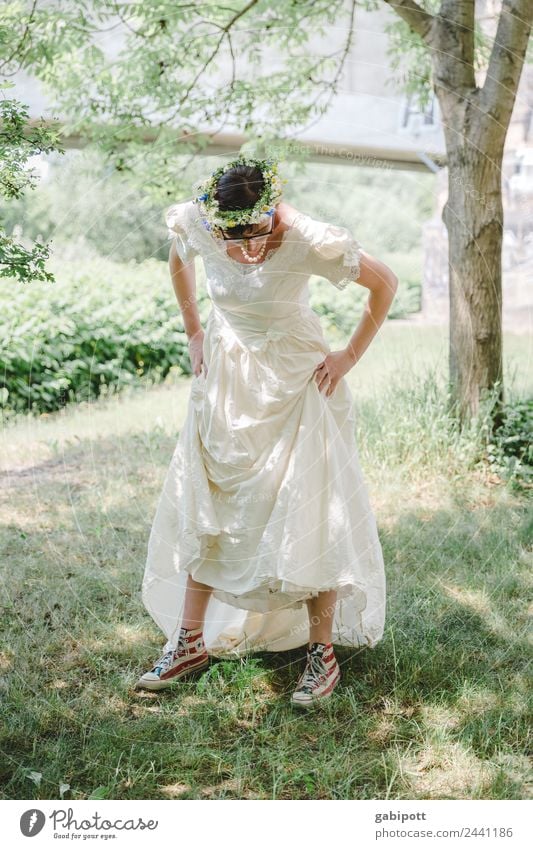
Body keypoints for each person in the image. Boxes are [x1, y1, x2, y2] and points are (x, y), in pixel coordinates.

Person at [135, 154, 398, 708]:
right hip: (227, 379)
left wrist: (348, 356)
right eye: (231, 234)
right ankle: (188, 642)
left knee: (309, 507)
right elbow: (178, 260)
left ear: (273, 210)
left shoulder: (311, 240)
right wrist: (194, 331)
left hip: (298, 384)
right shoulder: (200, 225)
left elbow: (386, 285)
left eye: (254, 231)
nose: (244, 246)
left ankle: (320, 658)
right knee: (212, 500)